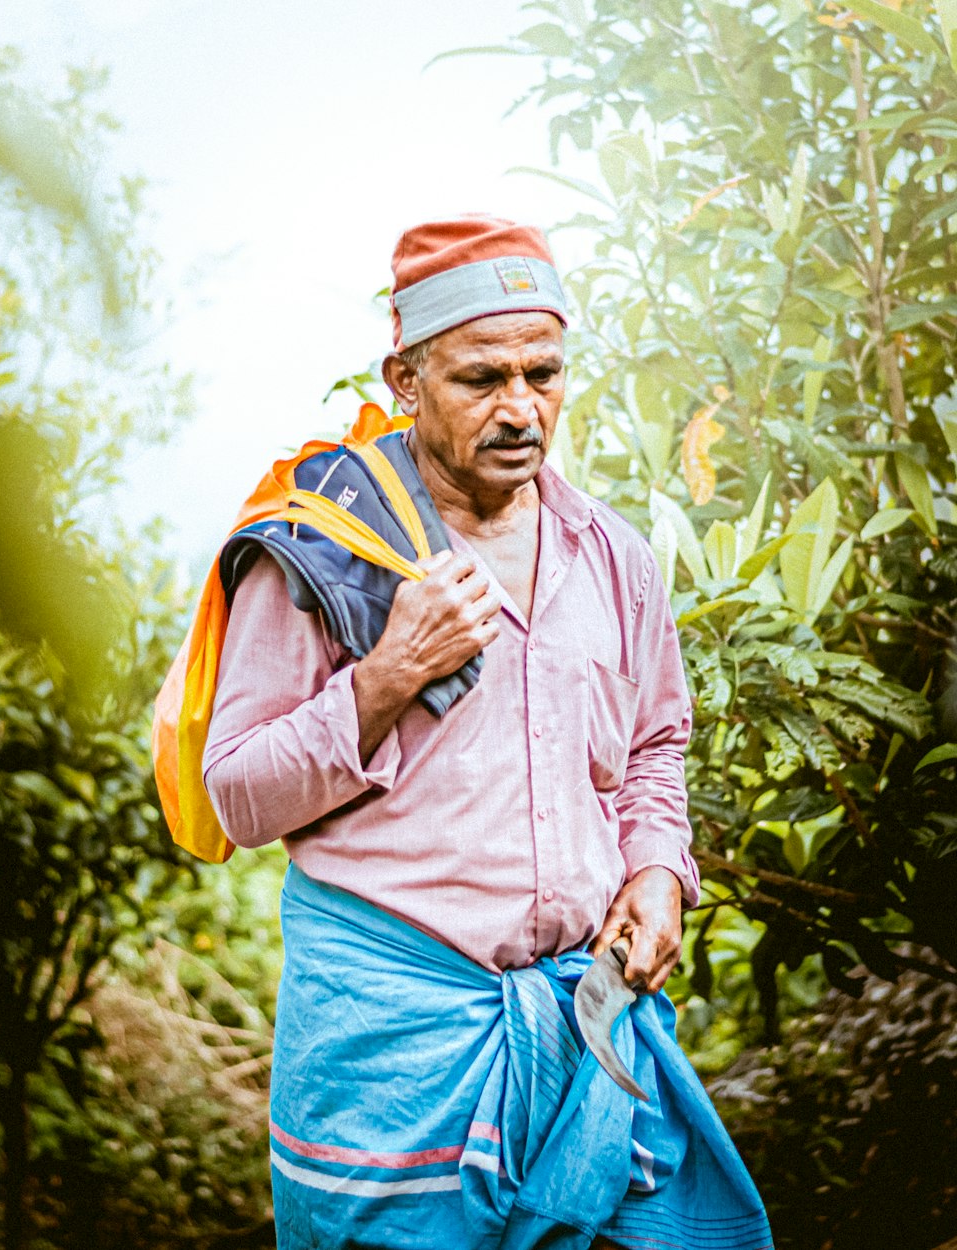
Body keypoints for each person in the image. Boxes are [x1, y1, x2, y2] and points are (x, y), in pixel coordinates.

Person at [201, 216, 771, 1250]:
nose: (521, 408)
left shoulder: (612, 556)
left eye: (542, 373)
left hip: (583, 1025)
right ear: (406, 378)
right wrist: (386, 676)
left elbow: (652, 745)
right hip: (392, 1054)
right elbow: (236, 795)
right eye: (481, 378)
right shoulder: (322, 555)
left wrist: (654, 871)